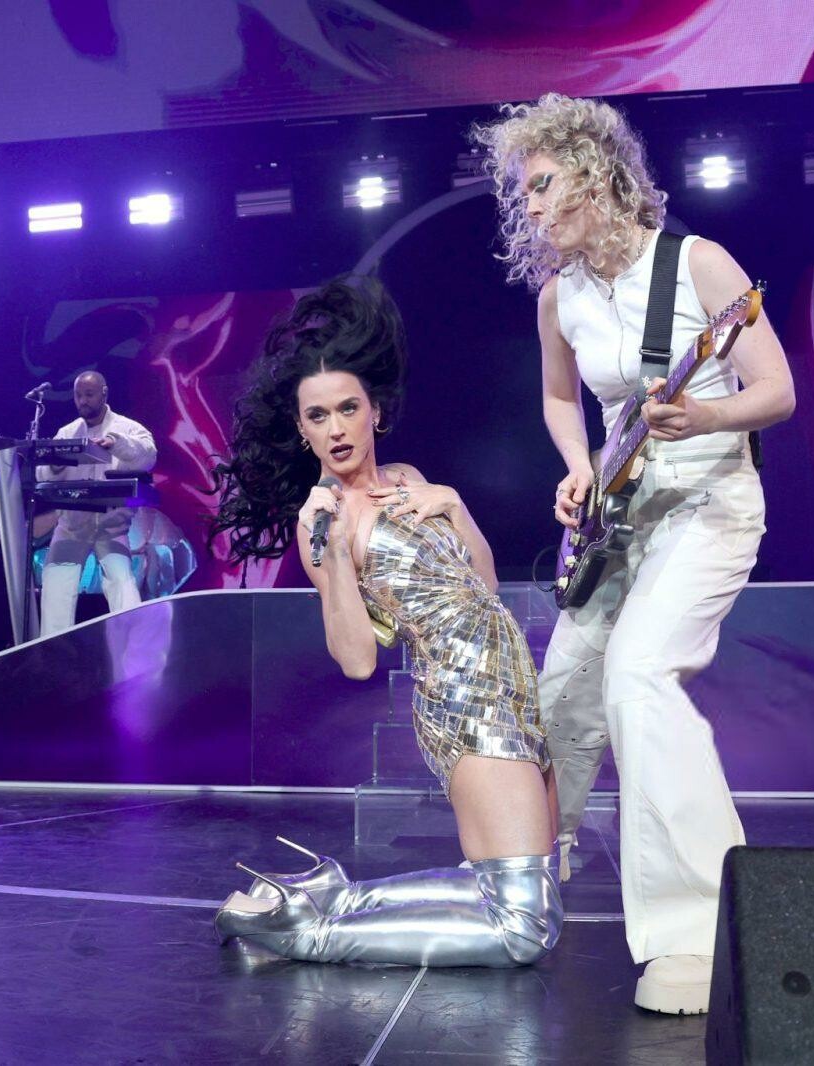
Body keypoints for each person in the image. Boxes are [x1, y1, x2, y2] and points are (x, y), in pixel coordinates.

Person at [473, 93, 797, 1013]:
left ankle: (703, 930)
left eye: (543, 183)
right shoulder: (558, 297)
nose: (531, 206)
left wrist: (708, 413)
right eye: (523, 192)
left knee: (639, 678)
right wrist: (579, 468)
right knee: (562, 700)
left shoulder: (698, 264)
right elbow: (558, 399)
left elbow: (776, 391)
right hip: (619, 517)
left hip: (708, 502)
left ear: (595, 171)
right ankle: (525, 882)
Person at [208, 277, 562, 967]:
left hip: (511, 686)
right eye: (317, 416)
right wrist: (337, 551)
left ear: (375, 411)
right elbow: (357, 659)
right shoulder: (320, 522)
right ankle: (305, 933)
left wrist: (454, 503)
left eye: (347, 408)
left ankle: (327, 899)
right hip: (464, 700)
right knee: (525, 928)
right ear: (302, 430)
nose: (336, 428)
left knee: (513, 892)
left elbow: (485, 587)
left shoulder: (407, 477)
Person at [37, 371, 158, 635]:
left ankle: (135, 646)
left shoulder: (127, 428)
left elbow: (148, 456)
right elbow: (43, 473)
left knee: (122, 583)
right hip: (71, 526)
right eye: (78, 395)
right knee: (56, 585)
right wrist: (55, 465)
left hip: (112, 526)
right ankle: (54, 648)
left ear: (104, 393)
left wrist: (115, 443)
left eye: (89, 395)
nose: (83, 401)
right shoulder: (67, 432)